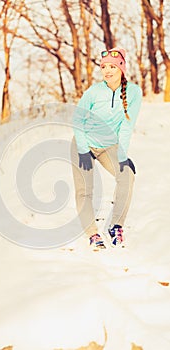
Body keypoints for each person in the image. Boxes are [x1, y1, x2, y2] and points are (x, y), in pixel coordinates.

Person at [71, 47, 142, 250]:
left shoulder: (134, 93)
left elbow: (127, 126)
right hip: (83, 141)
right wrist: (83, 150)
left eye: (112, 66)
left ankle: (116, 226)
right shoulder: (94, 92)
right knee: (85, 190)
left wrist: (122, 156)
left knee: (126, 175)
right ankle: (92, 233)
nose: (108, 71)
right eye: (104, 67)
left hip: (108, 145)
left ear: (122, 68)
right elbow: (78, 119)